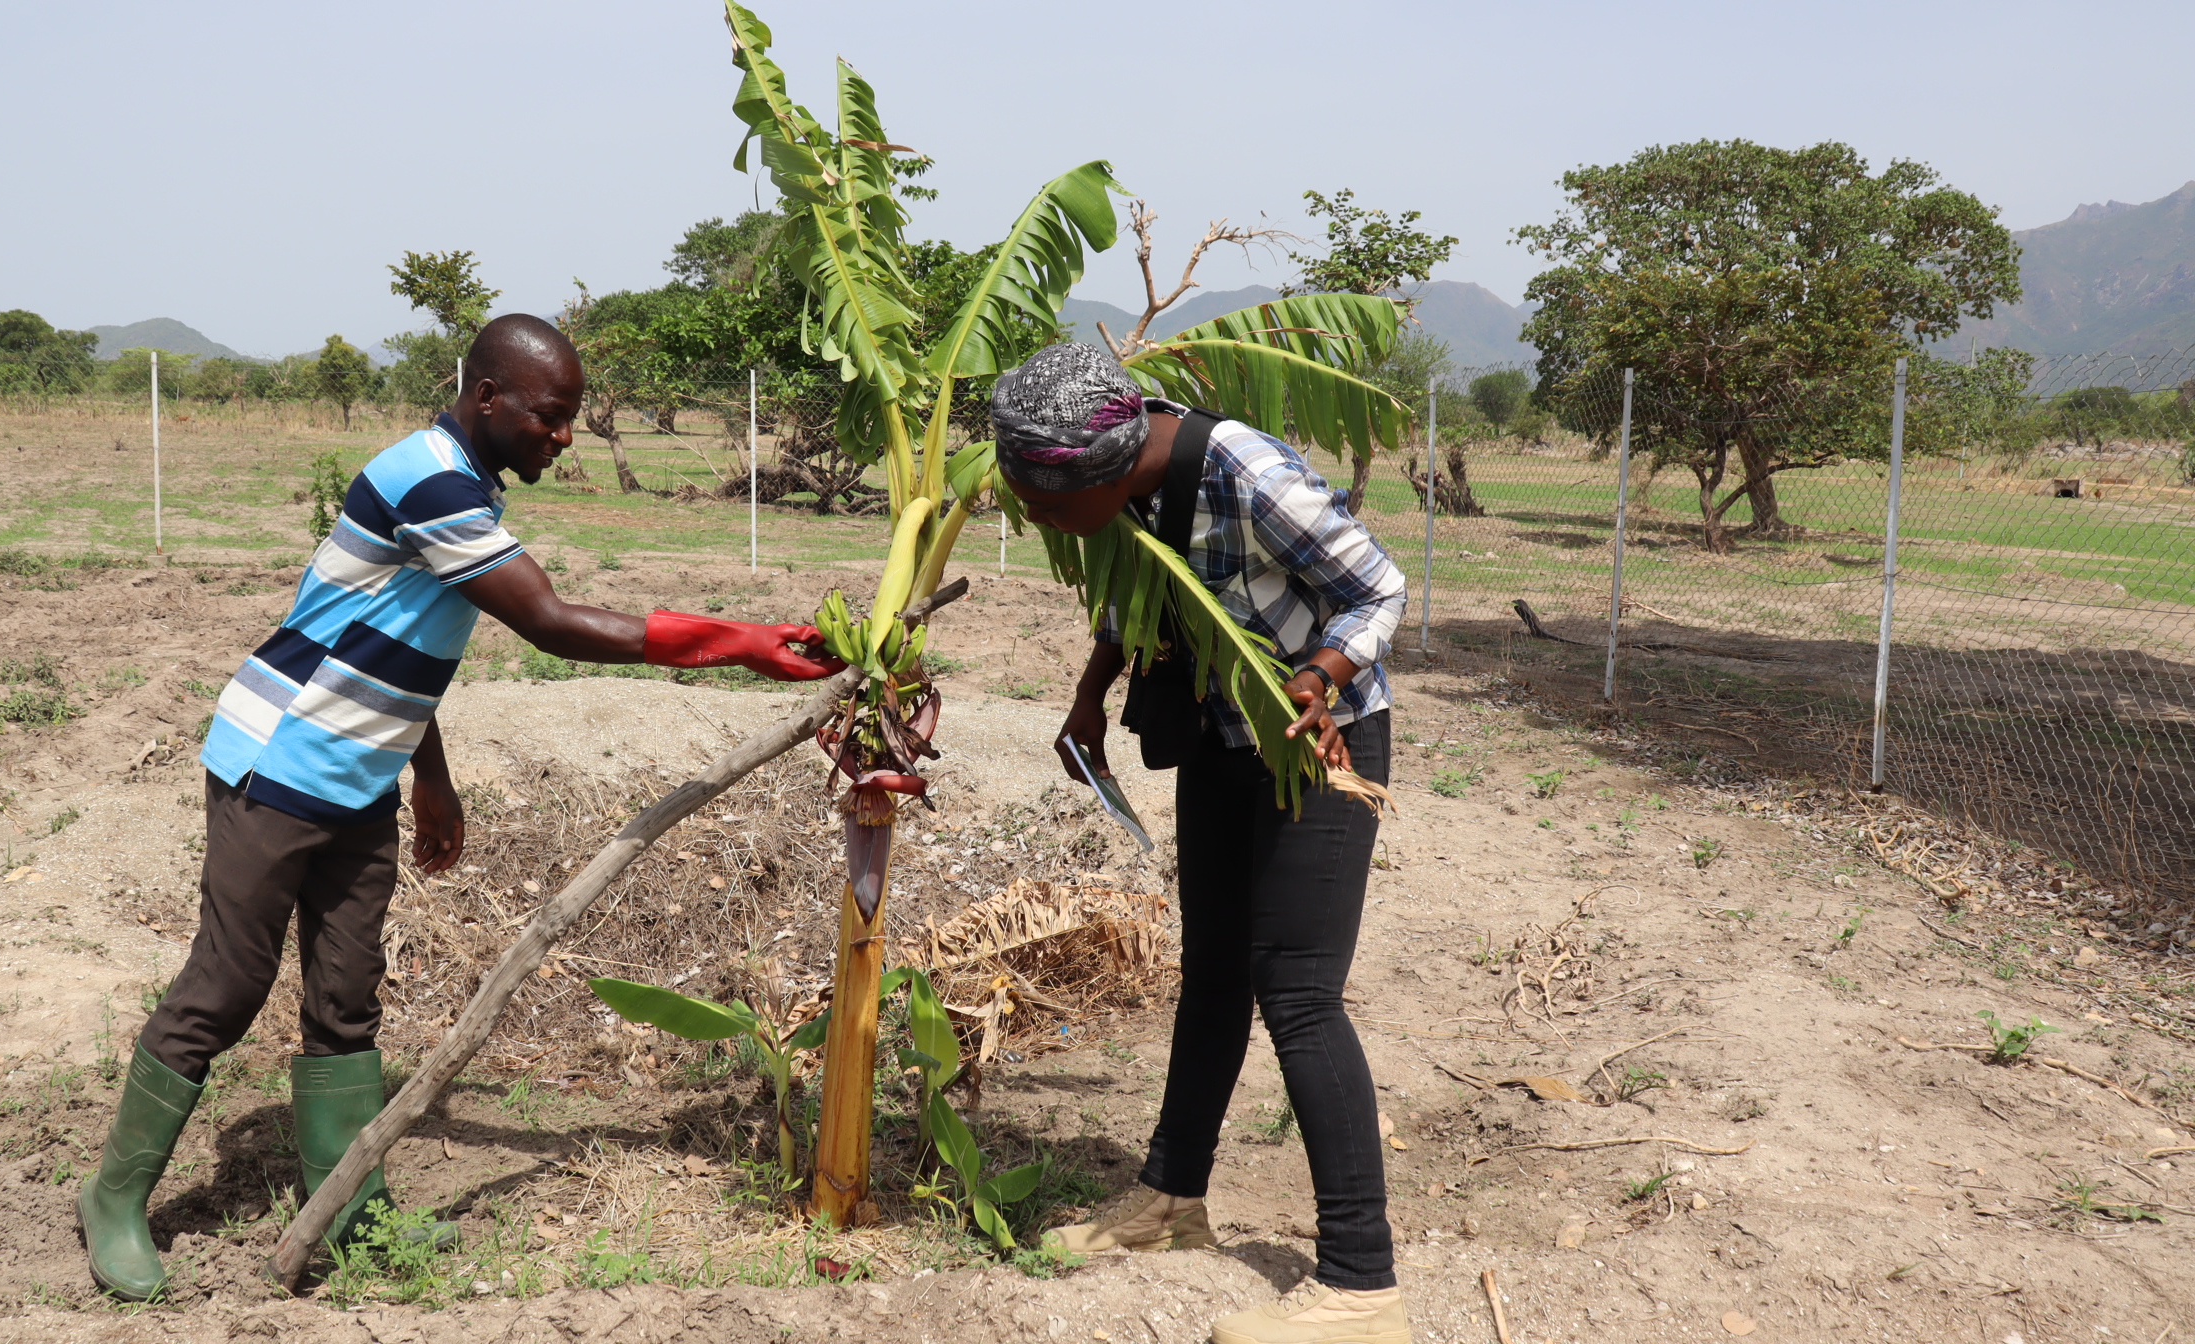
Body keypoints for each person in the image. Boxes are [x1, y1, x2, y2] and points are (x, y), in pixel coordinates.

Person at [76, 315, 843, 1302]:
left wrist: (428, 775)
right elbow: (551, 621)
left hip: (358, 777)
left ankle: (348, 1210)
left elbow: (399, 642)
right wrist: (737, 642)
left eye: (571, 419)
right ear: (489, 398)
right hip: (278, 762)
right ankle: (115, 1200)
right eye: (552, 417)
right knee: (227, 987)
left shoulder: (466, 483)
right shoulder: (429, 478)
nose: (564, 436)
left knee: (345, 999)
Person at [1002, 343, 1411, 1344]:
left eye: (1049, 508)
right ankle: (1171, 1206)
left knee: (1298, 990)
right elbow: (1142, 584)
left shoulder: (1247, 474)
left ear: (1101, 472)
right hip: (1225, 733)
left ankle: (1363, 1288)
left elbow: (1380, 586)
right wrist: (1090, 696)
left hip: (1317, 741)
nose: (1045, 526)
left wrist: (1318, 673)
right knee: (1215, 974)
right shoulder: (1137, 484)